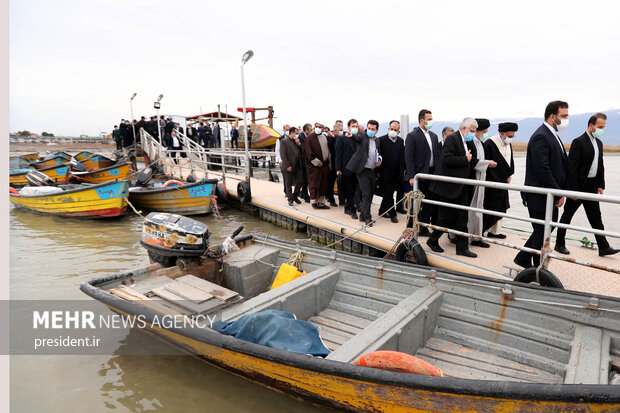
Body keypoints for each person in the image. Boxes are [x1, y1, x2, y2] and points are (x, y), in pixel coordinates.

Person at [514, 101, 570, 268]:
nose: (567, 120)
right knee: (542, 231)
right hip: (540, 195)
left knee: (545, 229)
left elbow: (560, 165)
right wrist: (558, 193)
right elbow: (542, 168)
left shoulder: (553, 134)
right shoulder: (541, 135)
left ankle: (533, 261)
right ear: (553, 117)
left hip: (549, 194)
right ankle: (525, 258)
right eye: (564, 116)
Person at [554, 113, 619, 257]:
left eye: (604, 127)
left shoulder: (599, 143)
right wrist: (572, 191)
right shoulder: (578, 142)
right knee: (567, 216)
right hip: (578, 187)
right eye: (600, 127)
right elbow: (572, 168)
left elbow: (600, 165)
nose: (602, 129)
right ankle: (559, 243)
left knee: (596, 218)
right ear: (591, 126)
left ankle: (603, 247)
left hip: (592, 186)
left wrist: (600, 184)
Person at [426, 118, 479, 258]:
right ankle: (432, 240)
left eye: (474, 131)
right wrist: (464, 159)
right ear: (464, 128)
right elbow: (446, 159)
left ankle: (462, 247)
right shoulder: (452, 139)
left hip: (462, 186)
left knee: (462, 217)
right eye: (472, 131)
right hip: (449, 187)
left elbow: (472, 159)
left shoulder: (468, 142)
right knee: (445, 217)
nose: (473, 134)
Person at [405, 109, 442, 235]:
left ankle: (424, 226)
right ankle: (411, 225)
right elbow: (409, 157)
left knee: (428, 202)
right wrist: (411, 176)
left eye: (431, 119)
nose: (431, 121)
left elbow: (436, 156)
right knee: (416, 202)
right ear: (422, 120)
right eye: (429, 119)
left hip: (432, 173)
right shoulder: (412, 136)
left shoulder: (434, 136)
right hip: (419, 175)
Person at [483, 122, 517, 239]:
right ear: (502, 134)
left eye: (513, 136)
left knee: (501, 206)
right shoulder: (490, 143)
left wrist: (509, 174)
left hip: (504, 181)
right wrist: (496, 178)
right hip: (492, 182)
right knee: (490, 206)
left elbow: (509, 161)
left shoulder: (508, 143)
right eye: (510, 136)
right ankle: (485, 230)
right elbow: (486, 164)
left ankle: (496, 231)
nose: (511, 138)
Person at [467, 118, 497, 248]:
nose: (486, 134)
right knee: (472, 208)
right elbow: (472, 162)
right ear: (478, 131)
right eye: (484, 131)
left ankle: (477, 236)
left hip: (481, 178)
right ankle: (467, 236)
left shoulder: (480, 142)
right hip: (474, 179)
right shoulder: (471, 142)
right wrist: (487, 163)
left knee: (479, 208)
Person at [346, 120, 382, 226]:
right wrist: (351, 135)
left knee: (370, 194)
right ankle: (367, 218)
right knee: (366, 194)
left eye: (373, 129)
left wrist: (379, 160)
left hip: (372, 170)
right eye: (369, 128)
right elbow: (356, 138)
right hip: (362, 170)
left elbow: (378, 153)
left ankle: (362, 215)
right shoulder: (362, 136)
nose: (370, 131)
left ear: (377, 130)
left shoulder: (377, 141)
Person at [377, 120, 405, 223]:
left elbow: (402, 157)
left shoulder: (400, 141)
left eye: (395, 130)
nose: (393, 131)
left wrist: (402, 170)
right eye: (391, 129)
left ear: (398, 131)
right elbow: (378, 157)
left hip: (396, 172)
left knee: (390, 192)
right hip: (384, 172)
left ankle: (381, 210)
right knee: (388, 193)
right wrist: (378, 172)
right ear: (388, 129)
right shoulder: (381, 140)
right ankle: (393, 214)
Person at [302, 122, 331, 209]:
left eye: (320, 127)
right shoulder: (310, 138)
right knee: (314, 184)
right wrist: (317, 162)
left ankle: (322, 202)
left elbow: (328, 151)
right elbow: (308, 152)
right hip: (314, 167)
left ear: (322, 128)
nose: (318, 128)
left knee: (323, 184)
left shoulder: (325, 137)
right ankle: (314, 202)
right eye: (316, 127)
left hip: (324, 166)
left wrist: (328, 163)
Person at [335, 119, 359, 219]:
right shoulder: (342, 138)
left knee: (355, 189)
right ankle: (352, 210)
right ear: (348, 127)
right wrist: (338, 168)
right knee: (349, 190)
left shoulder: (358, 138)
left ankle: (348, 207)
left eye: (356, 126)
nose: (355, 128)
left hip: (357, 169)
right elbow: (338, 154)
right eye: (353, 126)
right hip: (346, 168)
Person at [280, 127, 304, 206]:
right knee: (289, 183)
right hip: (289, 165)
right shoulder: (284, 141)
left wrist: (299, 144)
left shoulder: (295, 141)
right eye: (296, 133)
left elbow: (301, 151)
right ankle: (290, 199)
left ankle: (295, 195)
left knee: (300, 181)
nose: (297, 135)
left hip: (297, 164)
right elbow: (283, 154)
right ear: (292, 133)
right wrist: (287, 165)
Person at [297, 123, 312, 202]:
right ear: (306, 130)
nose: (311, 131)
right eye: (310, 130)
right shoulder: (301, 137)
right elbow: (303, 148)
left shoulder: (308, 136)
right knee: (305, 180)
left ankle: (303, 193)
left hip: (307, 161)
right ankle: (305, 195)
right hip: (303, 161)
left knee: (307, 179)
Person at [324, 125, 338, 207]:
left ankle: (330, 196)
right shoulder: (330, 138)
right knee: (330, 182)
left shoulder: (338, 138)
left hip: (336, 163)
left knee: (332, 182)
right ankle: (330, 198)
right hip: (331, 163)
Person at [275, 124, 291, 196]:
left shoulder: (293, 138)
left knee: (292, 178)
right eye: (287, 130)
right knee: (285, 177)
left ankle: (292, 191)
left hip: (291, 160)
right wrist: (279, 160)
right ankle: (287, 192)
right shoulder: (279, 139)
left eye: (289, 130)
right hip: (283, 161)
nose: (288, 131)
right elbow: (277, 151)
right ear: (284, 130)